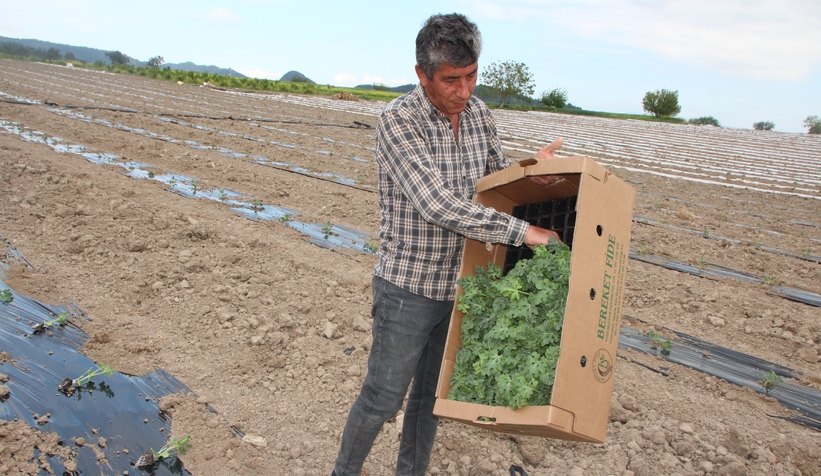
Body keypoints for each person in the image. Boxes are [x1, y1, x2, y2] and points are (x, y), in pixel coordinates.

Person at [331, 13, 562, 476]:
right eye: (451, 80)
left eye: (472, 76)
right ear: (422, 74)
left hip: (462, 287)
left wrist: (530, 170)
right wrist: (525, 233)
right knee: (383, 398)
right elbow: (438, 204)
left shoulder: (479, 116)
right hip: (408, 288)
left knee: (429, 401)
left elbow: (496, 179)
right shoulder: (399, 122)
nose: (464, 91)